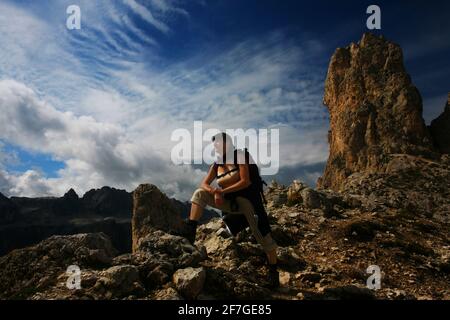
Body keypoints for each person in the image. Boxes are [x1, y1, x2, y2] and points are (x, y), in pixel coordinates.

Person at [184, 132, 279, 287]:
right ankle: (190, 231)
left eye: (218, 144)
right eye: (214, 145)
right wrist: (214, 191)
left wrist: (221, 192)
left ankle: (273, 272)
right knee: (200, 194)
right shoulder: (216, 165)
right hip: (231, 203)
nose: (215, 147)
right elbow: (204, 183)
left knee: (262, 235)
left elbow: (245, 181)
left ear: (227, 144)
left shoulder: (240, 156)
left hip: (249, 201)